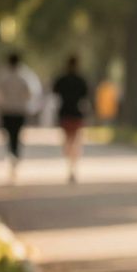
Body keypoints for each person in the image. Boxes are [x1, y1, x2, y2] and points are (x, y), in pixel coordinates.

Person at [0, 52, 42, 182]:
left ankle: (12, 154)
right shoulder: (24, 76)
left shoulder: (3, 75)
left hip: (7, 110)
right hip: (19, 111)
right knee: (17, 134)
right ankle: (15, 155)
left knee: (10, 135)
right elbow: (30, 93)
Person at [51, 55, 91, 183]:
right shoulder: (81, 80)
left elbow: (55, 94)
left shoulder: (62, 80)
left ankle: (70, 164)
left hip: (65, 113)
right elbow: (86, 98)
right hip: (76, 113)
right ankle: (73, 165)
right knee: (75, 140)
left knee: (68, 140)